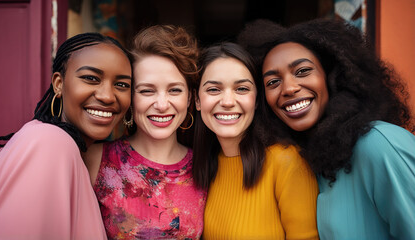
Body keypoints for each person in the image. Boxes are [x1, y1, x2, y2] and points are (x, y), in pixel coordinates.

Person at [238, 18, 415, 239]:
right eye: (273, 82)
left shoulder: (379, 144)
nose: (289, 88)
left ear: (332, 77)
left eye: (302, 71)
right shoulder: (311, 160)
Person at [0, 32, 132, 239]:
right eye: (91, 78)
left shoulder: (69, 150)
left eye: (122, 85)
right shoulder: (50, 143)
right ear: (59, 83)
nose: (107, 96)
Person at [84, 25, 206, 239]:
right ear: (131, 97)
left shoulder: (205, 167)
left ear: (189, 98)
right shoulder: (95, 160)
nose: (161, 104)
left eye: (174, 90)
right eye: (147, 90)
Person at [193, 42, 319, 239]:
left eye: (242, 89)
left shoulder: (286, 161)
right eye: (214, 90)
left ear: (257, 100)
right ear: (197, 101)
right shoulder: (203, 166)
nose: (227, 101)